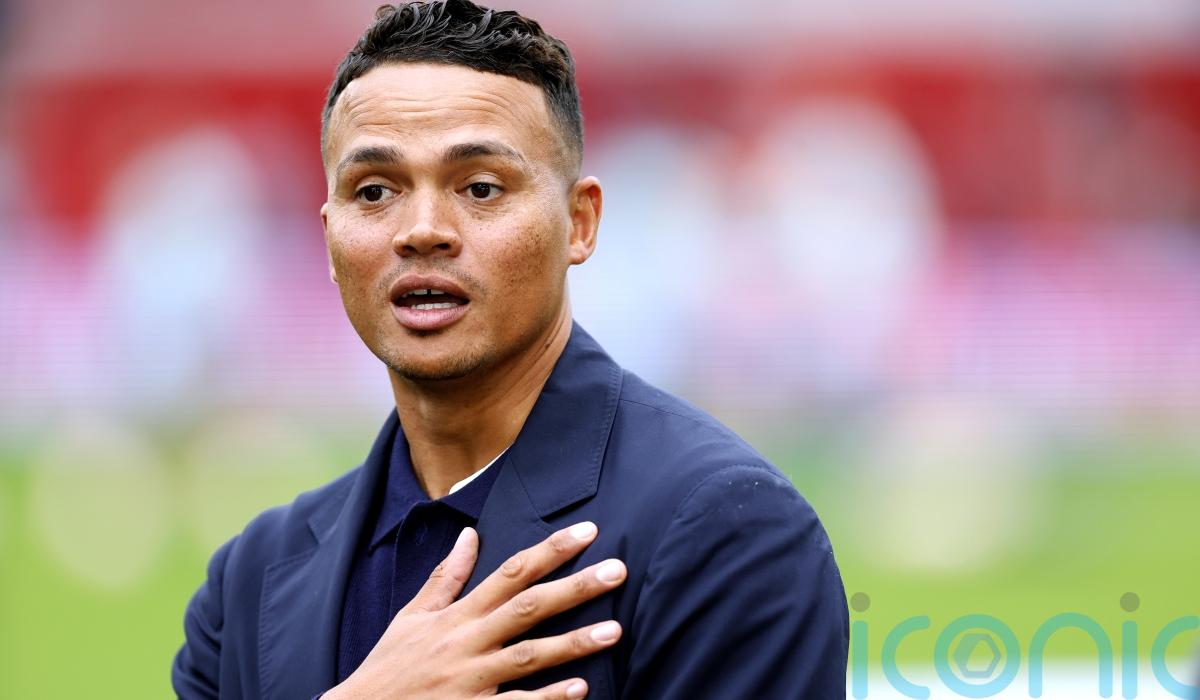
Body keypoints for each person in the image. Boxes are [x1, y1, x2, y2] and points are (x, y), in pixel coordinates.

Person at [172, 1, 848, 698]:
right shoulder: (251, 582)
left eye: (480, 187)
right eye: (374, 191)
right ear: (329, 239)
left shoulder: (727, 529)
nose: (422, 229)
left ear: (579, 223)